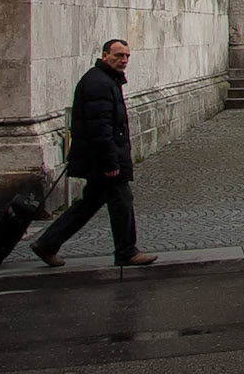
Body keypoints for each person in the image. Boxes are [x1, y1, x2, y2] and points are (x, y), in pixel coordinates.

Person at [31, 39, 155, 268]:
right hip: (102, 159)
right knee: (122, 201)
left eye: (127, 56)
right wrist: (111, 162)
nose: (124, 60)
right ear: (105, 55)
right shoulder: (99, 83)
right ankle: (126, 252)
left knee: (89, 203)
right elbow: (100, 128)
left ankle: (47, 244)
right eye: (118, 55)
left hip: (97, 157)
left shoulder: (106, 81)